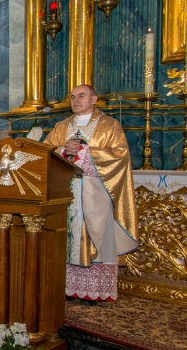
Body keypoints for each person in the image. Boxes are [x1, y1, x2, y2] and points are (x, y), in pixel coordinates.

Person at [43, 84, 138, 302]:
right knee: (65, 238)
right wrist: (63, 150)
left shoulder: (109, 125)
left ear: (94, 99)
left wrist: (85, 151)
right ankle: (66, 287)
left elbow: (120, 155)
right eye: (72, 97)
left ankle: (94, 291)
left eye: (81, 96)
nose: (75, 100)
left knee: (97, 236)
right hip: (65, 193)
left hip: (95, 194)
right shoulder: (61, 126)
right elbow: (46, 151)